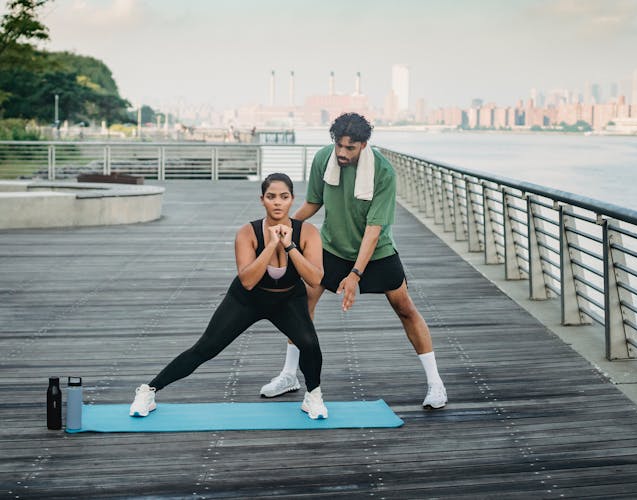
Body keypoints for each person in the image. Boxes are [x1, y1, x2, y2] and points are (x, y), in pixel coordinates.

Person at [260, 113, 448, 409]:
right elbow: (313, 202)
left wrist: (355, 275)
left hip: (377, 252)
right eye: (339, 145)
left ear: (364, 145)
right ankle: (288, 375)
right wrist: (285, 227)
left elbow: (374, 231)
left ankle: (436, 383)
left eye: (350, 148)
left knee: (405, 307)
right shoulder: (324, 158)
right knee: (301, 303)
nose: (342, 153)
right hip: (332, 247)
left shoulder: (383, 172)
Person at [129, 173, 329, 419]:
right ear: (262, 200)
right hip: (248, 299)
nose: (277, 202)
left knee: (309, 344)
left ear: (292, 200)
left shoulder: (307, 232)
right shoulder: (248, 233)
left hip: (288, 299)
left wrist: (289, 246)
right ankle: (148, 391)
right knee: (206, 348)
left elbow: (315, 279)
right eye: (271, 197)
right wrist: (270, 246)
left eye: (284, 197)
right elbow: (248, 280)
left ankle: (313, 395)